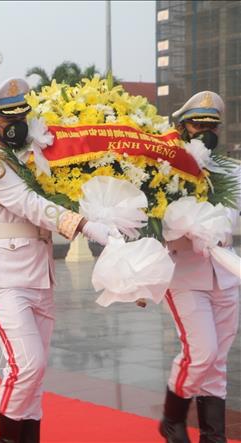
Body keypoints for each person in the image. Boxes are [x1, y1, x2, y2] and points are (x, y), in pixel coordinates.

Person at [0, 78, 119, 442]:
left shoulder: (32, 155)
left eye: (23, 115)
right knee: (26, 364)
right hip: (1, 278)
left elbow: (61, 190)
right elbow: (28, 205)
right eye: (7, 119)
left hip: (38, 276)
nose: (17, 124)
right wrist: (83, 225)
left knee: (35, 373)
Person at [159, 91, 241, 443]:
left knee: (217, 360)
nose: (205, 131)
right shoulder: (164, 170)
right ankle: (173, 416)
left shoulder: (231, 169)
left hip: (224, 271)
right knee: (202, 352)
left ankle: (213, 435)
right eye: (197, 124)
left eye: (211, 126)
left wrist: (204, 224)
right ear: (181, 128)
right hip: (185, 273)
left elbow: (229, 215)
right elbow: (161, 221)